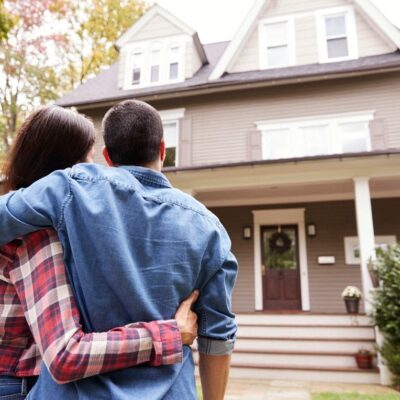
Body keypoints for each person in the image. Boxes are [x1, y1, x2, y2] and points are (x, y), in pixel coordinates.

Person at [0, 100, 238, 400]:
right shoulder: (211, 229)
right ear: (162, 150)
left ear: (107, 156)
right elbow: (217, 336)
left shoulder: (69, 191)